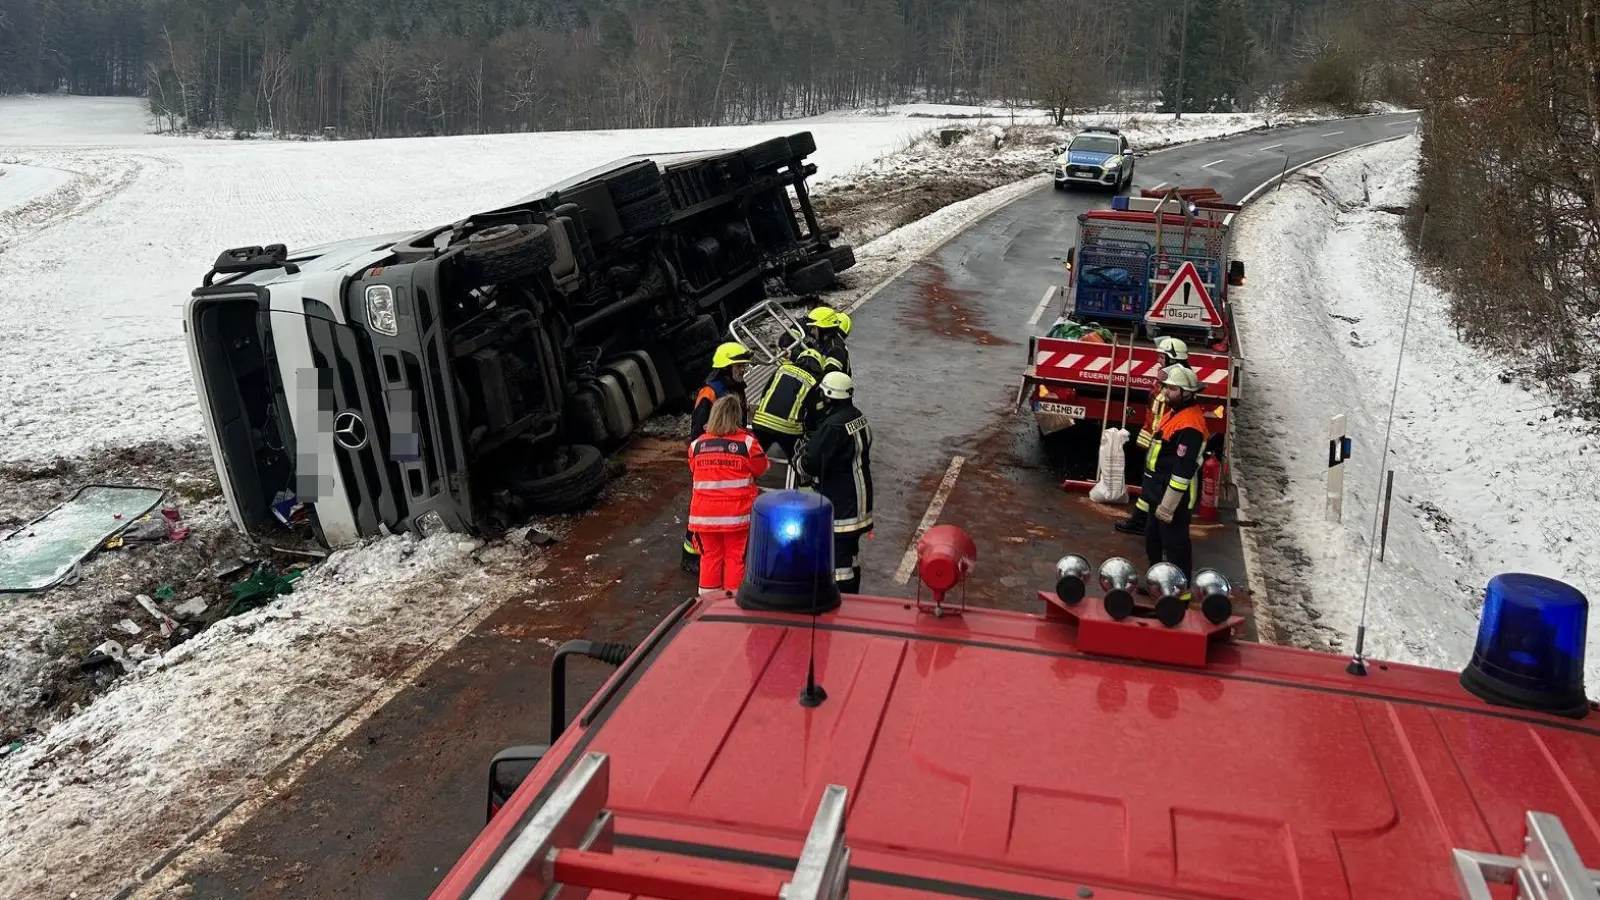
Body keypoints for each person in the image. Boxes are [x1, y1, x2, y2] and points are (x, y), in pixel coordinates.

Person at [797, 372, 873, 593]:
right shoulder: (858, 417)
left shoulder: (833, 426)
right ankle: (853, 596)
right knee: (850, 554)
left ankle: (842, 602)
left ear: (829, 396)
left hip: (842, 504)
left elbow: (813, 461)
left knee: (838, 560)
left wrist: (800, 461)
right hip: (860, 500)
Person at [688, 395, 769, 591]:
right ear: (736, 417)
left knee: (709, 559)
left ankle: (707, 608)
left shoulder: (697, 445)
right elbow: (762, 468)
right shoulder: (747, 444)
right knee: (735, 559)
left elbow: (693, 470)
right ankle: (732, 609)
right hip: (737, 516)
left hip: (704, 517)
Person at [683, 341, 752, 573]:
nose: (743, 369)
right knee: (703, 508)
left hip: (728, 459)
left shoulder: (737, 388)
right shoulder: (710, 393)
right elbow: (696, 432)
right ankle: (690, 555)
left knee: (719, 507)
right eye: (739, 365)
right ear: (726, 368)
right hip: (710, 460)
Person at [1115, 336, 1194, 535]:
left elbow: (1170, 413)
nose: (1158, 360)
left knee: (1156, 486)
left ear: (1172, 358)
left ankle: (1145, 522)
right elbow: (1154, 409)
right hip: (1158, 439)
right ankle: (1142, 521)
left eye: (1162, 356)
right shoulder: (1168, 378)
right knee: (1149, 484)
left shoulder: (1178, 384)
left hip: (1166, 442)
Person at [1143, 366, 1209, 582]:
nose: (1165, 393)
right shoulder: (1175, 413)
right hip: (1158, 492)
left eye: (1171, 389)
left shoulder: (1191, 425)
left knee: (1176, 548)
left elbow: (1183, 472)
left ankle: (1177, 597)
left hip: (1173, 499)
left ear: (1187, 393)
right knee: (1153, 540)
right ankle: (1157, 584)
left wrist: (1168, 505)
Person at [751, 332, 825, 460]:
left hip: (760, 422)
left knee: (754, 458)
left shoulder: (782, 369)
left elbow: (764, 394)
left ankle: (747, 476)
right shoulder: (814, 381)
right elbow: (815, 411)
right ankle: (802, 477)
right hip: (788, 429)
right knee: (798, 460)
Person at [805, 306, 850, 375]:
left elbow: (828, 377)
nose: (812, 332)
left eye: (814, 328)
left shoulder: (836, 350)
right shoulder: (825, 342)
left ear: (823, 329)